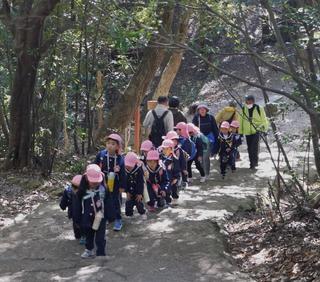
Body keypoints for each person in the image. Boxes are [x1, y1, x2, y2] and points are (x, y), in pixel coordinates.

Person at [94, 133, 126, 231]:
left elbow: (123, 174)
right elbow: (94, 167)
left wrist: (122, 186)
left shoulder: (120, 158)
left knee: (115, 201)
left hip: (115, 183)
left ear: (118, 146)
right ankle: (108, 217)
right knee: (103, 200)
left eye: (113, 144)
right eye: (108, 143)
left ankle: (118, 219)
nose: (110, 145)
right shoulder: (101, 155)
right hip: (102, 182)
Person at [75, 164, 107, 258]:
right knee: (89, 234)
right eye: (92, 182)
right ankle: (89, 250)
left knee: (100, 237)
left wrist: (110, 214)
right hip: (87, 217)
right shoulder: (82, 191)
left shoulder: (103, 189)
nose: (94, 184)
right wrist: (77, 218)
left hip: (100, 216)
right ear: (86, 179)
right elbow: (77, 206)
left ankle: (101, 253)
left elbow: (108, 201)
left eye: (96, 182)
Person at [239, 95, 269, 170]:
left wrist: (264, 129)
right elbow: (240, 121)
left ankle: (254, 162)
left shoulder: (259, 108)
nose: (248, 102)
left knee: (254, 147)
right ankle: (252, 163)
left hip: (257, 130)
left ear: (253, 101)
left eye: (249, 101)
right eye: (246, 101)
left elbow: (264, 119)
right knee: (249, 148)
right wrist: (240, 133)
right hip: (247, 132)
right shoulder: (243, 109)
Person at [59, 174, 86, 244]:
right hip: (74, 212)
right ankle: (79, 236)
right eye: (76, 189)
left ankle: (83, 236)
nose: (77, 191)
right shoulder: (68, 191)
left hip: (83, 211)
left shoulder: (86, 191)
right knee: (76, 224)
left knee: (83, 223)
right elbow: (63, 203)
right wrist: (63, 206)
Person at [124, 152, 147, 219]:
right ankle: (129, 214)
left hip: (137, 191)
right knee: (128, 204)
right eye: (127, 165)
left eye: (130, 166)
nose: (128, 167)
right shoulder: (125, 171)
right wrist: (126, 191)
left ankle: (142, 212)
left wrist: (140, 193)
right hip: (129, 191)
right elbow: (125, 182)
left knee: (139, 203)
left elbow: (141, 182)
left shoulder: (139, 170)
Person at [160, 139, 181, 205]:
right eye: (163, 148)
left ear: (170, 149)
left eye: (165, 149)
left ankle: (175, 198)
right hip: (164, 178)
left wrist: (176, 178)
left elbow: (177, 169)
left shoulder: (174, 159)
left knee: (174, 189)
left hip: (172, 178)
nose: (163, 150)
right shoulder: (161, 157)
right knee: (166, 190)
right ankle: (167, 201)